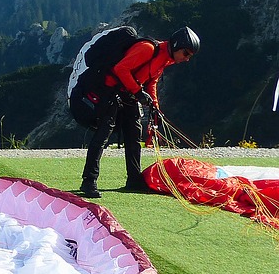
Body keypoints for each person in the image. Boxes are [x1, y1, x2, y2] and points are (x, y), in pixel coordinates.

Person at [80, 26, 200, 199]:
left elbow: (151, 83)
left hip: (128, 92)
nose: (187, 59)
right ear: (175, 45)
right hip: (110, 89)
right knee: (103, 134)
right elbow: (121, 69)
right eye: (186, 53)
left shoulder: (166, 59)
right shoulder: (148, 49)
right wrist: (137, 92)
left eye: (189, 55)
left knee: (134, 135)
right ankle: (89, 181)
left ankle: (134, 179)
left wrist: (155, 108)